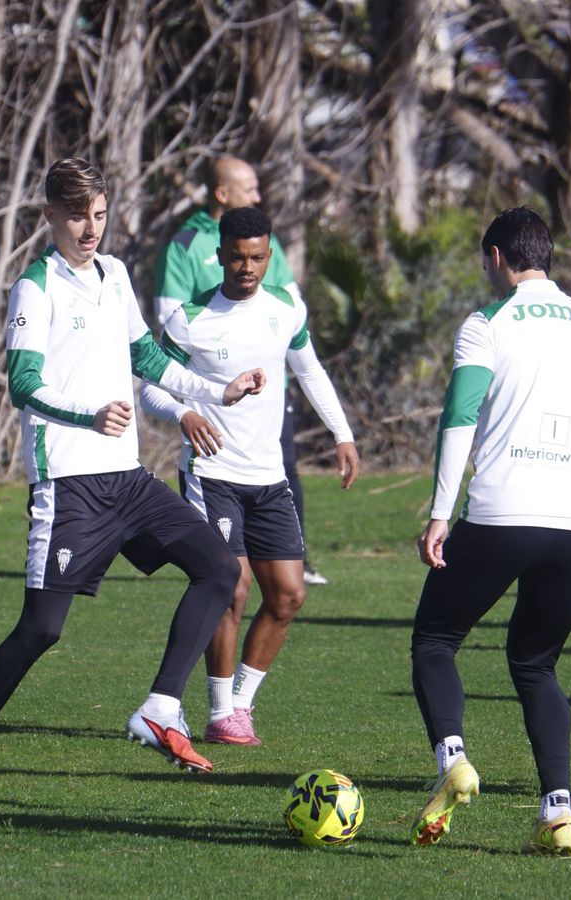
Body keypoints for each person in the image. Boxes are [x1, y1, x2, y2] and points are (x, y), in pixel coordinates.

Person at [0, 158, 265, 817]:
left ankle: (160, 707)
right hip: (70, 487)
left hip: (128, 480)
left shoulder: (114, 277)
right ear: (51, 215)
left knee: (219, 569)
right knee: (41, 631)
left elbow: (146, 356)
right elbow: (21, 384)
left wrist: (213, 389)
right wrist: (85, 415)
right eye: (79, 215)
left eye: (101, 214)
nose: (91, 228)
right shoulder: (36, 287)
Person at [409, 208, 571, 856]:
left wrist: (443, 510)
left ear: (498, 256)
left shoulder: (487, 324)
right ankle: (558, 809)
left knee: (436, 640)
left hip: (501, 513)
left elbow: (459, 418)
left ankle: (453, 758)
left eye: (485, 262)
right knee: (535, 663)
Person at [139, 206, 359, 746]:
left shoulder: (286, 308)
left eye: (257, 257)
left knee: (287, 595)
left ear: (269, 255)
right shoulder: (190, 319)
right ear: (220, 257)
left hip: (270, 476)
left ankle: (241, 704)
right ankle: (218, 713)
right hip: (211, 474)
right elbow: (147, 385)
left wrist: (343, 433)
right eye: (237, 257)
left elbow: (310, 370)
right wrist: (183, 413)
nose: (247, 267)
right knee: (231, 588)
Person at [155, 156, 329, 586]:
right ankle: (231, 561)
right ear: (222, 194)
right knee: (229, 582)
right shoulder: (185, 243)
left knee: (284, 467)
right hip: (211, 419)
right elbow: (168, 318)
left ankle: (293, 558)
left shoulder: (266, 240)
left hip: (269, 393)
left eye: (256, 258)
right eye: (248, 187)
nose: (258, 195)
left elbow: (292, 305)